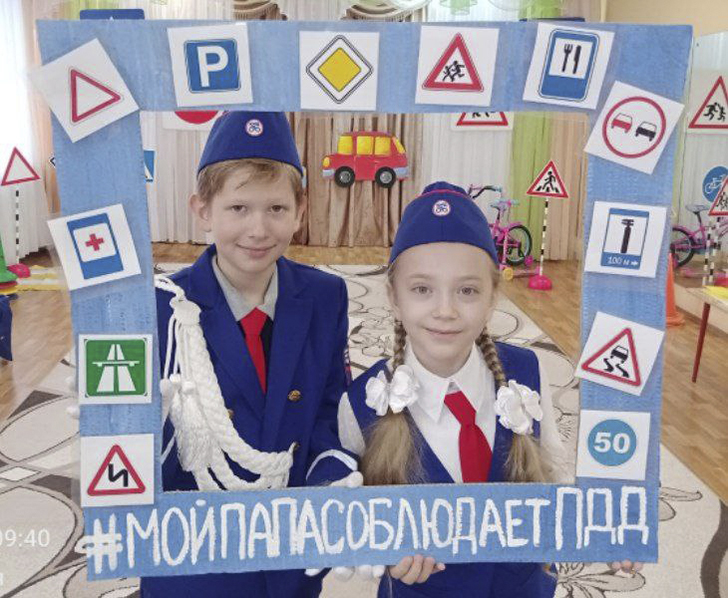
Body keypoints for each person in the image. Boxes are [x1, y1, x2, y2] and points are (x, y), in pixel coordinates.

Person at [140, 111, 360, 598]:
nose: (258, 229)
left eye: (277, 208)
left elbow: (330, 407)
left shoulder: (325, 296)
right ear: (202, 210)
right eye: (238, 208)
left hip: (290, 544)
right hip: (196, 555)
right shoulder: (160, 307)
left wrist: (332, 476)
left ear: (300, 211)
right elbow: (144, 449)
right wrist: (115, 418)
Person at [337, 181, 569, 597]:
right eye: (422, 289)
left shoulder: (526, 372)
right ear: (393, 298)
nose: (445, 310)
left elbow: (557, 474)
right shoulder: (361, 402)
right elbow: (347, 518)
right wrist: (382, 553)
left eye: (467, 290)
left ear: (492, 298)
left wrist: (609, 535)